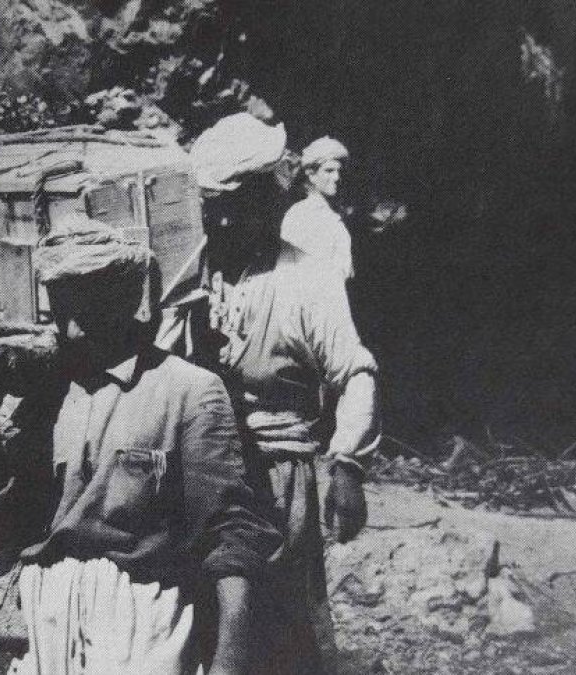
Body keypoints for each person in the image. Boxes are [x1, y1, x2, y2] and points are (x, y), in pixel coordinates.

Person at [0, 218, 280, 675]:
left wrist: (230, 659)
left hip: (141, 622)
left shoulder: (187, 390)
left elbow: (231, 535)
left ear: (125, 301)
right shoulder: (48, 394)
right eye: (57, 310)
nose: (69, 331)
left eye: (84, 312)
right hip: (45, 615)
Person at [160, 112, 381, 674]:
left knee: (280, 625)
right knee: (197, 619)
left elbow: (354, 372)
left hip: (277, 475)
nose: (224, 216)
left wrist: (347, 463)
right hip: (198, 470)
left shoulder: (306, 279)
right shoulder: (191, 273)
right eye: (213, 202)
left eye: (238, 201)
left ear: (269, 197)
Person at [280, 137, 354, 279]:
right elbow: (289, 271)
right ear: (311, 175)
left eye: (339, 171)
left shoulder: (334, 215)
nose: (337, 177)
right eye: (329, 171)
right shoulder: (300, 214)